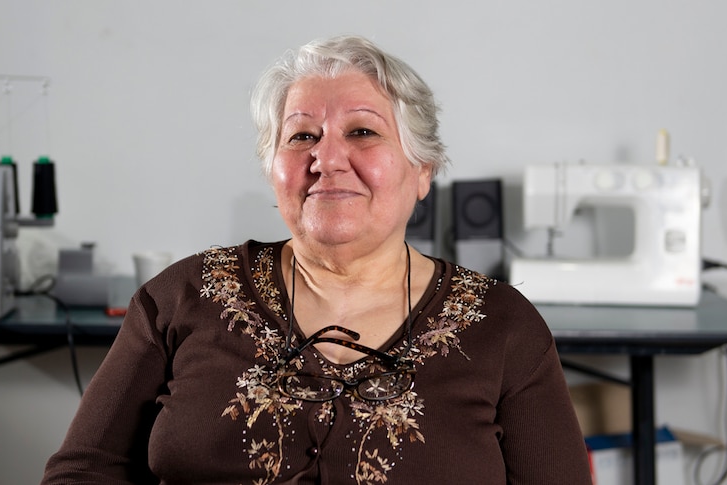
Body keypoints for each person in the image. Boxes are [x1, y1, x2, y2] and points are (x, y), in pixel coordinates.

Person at [41, 34, 592, 484]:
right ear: (272, 168)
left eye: (362, 132)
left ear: (423, 170)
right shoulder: (182, 297)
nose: (326, 159)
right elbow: (82, 472)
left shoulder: (504, 326)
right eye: (302, 135)